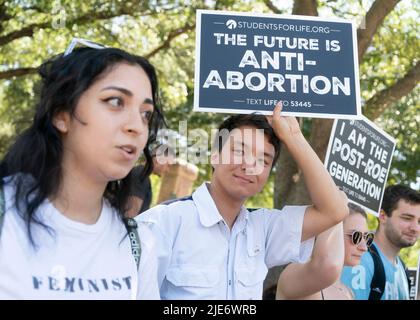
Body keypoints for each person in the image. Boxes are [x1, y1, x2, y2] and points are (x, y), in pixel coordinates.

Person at [0, 39, 164, 299]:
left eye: (146, 113)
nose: (136, 125)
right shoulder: (6, 215)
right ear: (61, 114)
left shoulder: (139, 243)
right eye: (115, 101)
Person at [138, 102, 349, 300]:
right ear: (215, 155)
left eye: (263, 160)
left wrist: (294, 136)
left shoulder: (264, 229)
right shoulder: (163, 223)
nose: (249, 165)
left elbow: (334, 211)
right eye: (239, 151)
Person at [276, 202, 374, 300]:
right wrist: (334, 208)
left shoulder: (348, 292)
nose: (364, 247)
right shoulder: (293, 276)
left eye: (366, 237)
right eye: (355, 236)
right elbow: (327, 264)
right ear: (326, 230)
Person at [341, 185, 420, 300]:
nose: (415, 228)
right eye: (407, 218)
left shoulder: (401, 267)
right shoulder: (360, 259)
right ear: (382, 216)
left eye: (419, 221)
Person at [126, 143, 175, 217]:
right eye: (168, 165)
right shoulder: (141, 174)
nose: (167, 170)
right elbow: (130, 214)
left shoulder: (141, 173)